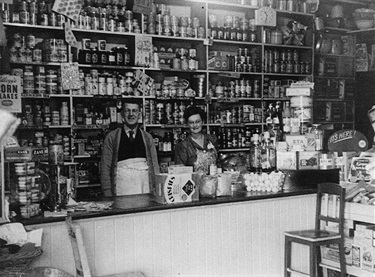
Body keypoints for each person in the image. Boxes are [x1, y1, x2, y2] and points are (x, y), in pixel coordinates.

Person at [100, 100, 159, 196]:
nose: (131, 114)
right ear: (122, 114)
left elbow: (155, 165)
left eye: (134, 111)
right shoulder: (112, 137)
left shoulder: (148, 138)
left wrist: (157, 188)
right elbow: (105, 168)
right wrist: (107, 192)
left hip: (144, 189)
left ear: (139, 115)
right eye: (127, 111)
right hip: (121, 190)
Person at [174, 106, 218, 173]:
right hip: (194, 182)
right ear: (187, 124)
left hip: (213, 180)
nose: (195, 125)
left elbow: (218, 163)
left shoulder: (212, 139)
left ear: (202, 122)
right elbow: (180, 172)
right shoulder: (182, 146)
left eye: (197, 122)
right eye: (191, 122)